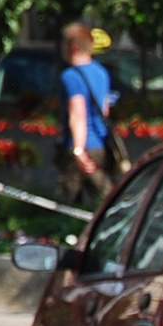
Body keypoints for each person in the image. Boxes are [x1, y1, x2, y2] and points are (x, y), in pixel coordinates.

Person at [56, 22, 116, 205]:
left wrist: (78, 150)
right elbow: (105, 109)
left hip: (80, 145)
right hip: (100, 144)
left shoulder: (70, 76)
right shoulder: (101, 72)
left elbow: (78, 113)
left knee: (68, 202)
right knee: (101, 200)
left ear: (72, 46)